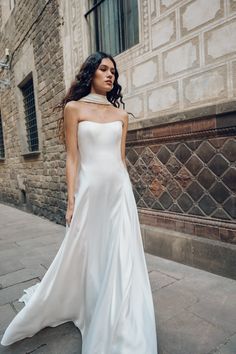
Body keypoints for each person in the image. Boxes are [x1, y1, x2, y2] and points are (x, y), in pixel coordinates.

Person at [1, 51, 158, 353]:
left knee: (121, 253)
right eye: (103, 69)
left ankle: (123, 318)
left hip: (118, 193)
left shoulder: (121, 115)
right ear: (91, 73)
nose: (110, 74)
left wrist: (127, 194)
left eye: (114, 71)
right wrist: (72, 200)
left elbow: (120, 159)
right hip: (89, 193)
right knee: (90, 251)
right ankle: (90, 301)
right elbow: (72, 158)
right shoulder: (74, 108)